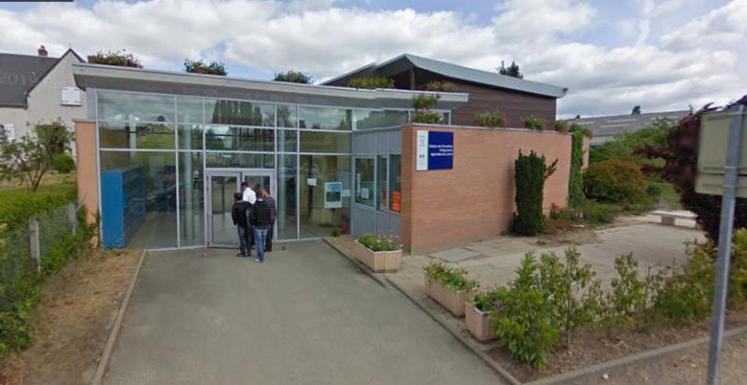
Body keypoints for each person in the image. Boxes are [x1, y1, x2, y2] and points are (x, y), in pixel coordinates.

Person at [250, 192, 273, 263]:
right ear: (263, 197)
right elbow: (270, 216)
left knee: (259, 242)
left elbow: (252, 217)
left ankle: (261, 258)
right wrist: (269, 224)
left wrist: (253, 224)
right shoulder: (267, 205)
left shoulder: (254, 206)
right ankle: (259, 255)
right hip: (265, 226)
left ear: (257, 197)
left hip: (258, 227)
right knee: (263, 242)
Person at [231, 192, 252, 257]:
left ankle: (243, 253)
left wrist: (235, 222)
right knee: (248, 238)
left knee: (242, 238)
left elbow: (234, 216)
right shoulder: (248, 203)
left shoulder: (235, 206)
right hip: (248, 224)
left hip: (241, 224)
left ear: (235, 198)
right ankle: (249, 252)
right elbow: (252, 212)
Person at [260, 187, 277, 252]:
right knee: (269, 233)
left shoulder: (268, 200)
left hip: (269, 219)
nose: (262, 193)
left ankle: (268, 247)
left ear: (266, 192)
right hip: (271, 218)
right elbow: (275, 210)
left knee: (268, 233)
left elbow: (265, 210)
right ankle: (268, 247)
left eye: (263, 191)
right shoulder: (270, 199)